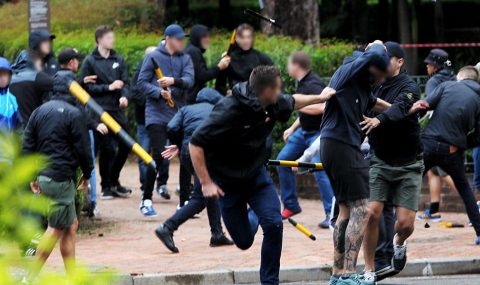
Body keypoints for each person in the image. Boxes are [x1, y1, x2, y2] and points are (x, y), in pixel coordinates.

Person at [190, 65, 336, 285]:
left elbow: (294, 100)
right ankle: (254, 214)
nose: (281, 91)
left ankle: (269, 282)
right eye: (278, 87)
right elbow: (195, 143)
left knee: (274, 224)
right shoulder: (228, 110)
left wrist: (321, 97)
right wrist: (206, 182)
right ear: (267, 90)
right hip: (227, 183)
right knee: (244, 241)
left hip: (257, 177)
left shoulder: (273, 103)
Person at [319, 41, 391, 285]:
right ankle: (349, 273)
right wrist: (376, 51)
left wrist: (401, 110)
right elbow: (363, 62)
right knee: (363, 207)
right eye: (383, 64)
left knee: (346, 210)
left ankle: (338, 273)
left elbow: (375, 103)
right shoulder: (351, 69)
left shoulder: (360, 83)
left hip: (333, 145)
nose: (386, 73)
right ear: (372, 62)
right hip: (342, 146)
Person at [360, 42, 423, 282]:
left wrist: (380, 120)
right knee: (371, 213)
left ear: (399, 62)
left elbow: (401, 108)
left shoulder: (409, 86)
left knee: (404, 224)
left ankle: (399, 242)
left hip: (408, 162)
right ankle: (368, 269)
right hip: (380, 159)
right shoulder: (372, 80)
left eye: (387, 58)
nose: (382, 62)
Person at [22, 87, 93, 281]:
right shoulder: (74, 113)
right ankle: (29, 277)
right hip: (60, 178)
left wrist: (32, 176)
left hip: (45, 176)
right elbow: (84, 148)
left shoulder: (40, 111)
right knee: (55, 228)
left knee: (71, 225)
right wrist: (87, 174)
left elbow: (27, 144)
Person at [155, 88, 233, 252]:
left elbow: (171, 127)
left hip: (187, 152)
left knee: (209, 191)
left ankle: (217, 234)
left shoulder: (185, 109)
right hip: (206, 153)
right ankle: (168, 227)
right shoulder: (216, 109)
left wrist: (180, 143)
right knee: (201, 196)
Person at [411, 66, 480, 245]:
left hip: (428, 143)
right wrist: (462, 142)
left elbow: (424, 106)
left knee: (408, 180)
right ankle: (479, 231)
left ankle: (391, 224)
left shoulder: (448, 86)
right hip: (452, 149)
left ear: (460, 77)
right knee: (464, 189)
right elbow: (478, 135)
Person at [137, 24, 194, 216]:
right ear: (168, 38)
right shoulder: (152, 57)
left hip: (179, 114)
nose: (181, 42)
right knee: (159, 155)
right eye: (178, 39)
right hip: (156, 115)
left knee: (186, 156)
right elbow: (141, 83)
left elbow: (189, 80)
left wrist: (173, 81)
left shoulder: (185, 58)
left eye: (182, 39)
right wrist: (158, 92)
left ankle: (184, 201)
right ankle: (146, 199)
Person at [276, 51, 334, 228]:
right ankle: (291, 205)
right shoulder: (303, 83)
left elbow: (322, 108)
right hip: (304, 132)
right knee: (281, 161)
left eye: (288, 64)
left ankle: (330, 213)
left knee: (319, 169)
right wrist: (292, 128)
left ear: (296, 66)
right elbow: (305, 110)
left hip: (318, 133)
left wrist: (292, 106)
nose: (287, 68)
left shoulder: (314, 83)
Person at [79, 25, 131, 199]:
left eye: (112, 38)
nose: (112, 41)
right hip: (99, 111)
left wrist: (124, 97)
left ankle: (115, 181)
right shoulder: (89, 61)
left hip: (117, 110)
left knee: (126, 144)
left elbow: (126, 83)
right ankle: (106, 186)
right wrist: (108, 87)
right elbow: (85, 88)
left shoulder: (119, 59)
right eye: (109, 38)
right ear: (99, 40)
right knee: (108, 149)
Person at [55, 48, 100, 217]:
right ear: (72, 62)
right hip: (80, 127)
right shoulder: (72, 81)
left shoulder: (56, 79)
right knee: (88, 164)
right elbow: (80, 108)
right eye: (76, 60)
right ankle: (91, 203)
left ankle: (74, 206)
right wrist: (94, 124)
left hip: (61, 130)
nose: (78, 63)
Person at [418, 48, 457, 222]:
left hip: (437, 132)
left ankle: (476, 204)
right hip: (453, 129)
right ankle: (434, 210)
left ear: (435, 66)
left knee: (448, 173)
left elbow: (427, 105)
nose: (426, 66)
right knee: (433, 172)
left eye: (428, 63)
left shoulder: (434, 81)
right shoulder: (453, 78)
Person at [215, 23, 273, 95]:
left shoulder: (262, 58)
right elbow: (219, 86)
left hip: (256, 99)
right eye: (242, 37)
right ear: (236, 38)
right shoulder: (228, 59)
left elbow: (274, 81)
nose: (246, 41)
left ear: (252, 38)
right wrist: (227, 92)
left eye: (248, 37)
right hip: (236, 98)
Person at [184, 24, 230, 103]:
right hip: (192, 99)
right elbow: (202, 76)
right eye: (204, 37)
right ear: (197, 37)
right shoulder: (193, 51)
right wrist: (219, 67)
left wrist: (220, 63)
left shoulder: (190, 49)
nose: (208, 39)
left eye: (208, 36)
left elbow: (202, 71)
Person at [10, 50, 53, 126]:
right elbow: (59, 84)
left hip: (13, 129)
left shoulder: (9, 80)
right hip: (32, 128)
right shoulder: (37, 76)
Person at [0, 57, 19, 130]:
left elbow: (19, 125)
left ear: (9, 76)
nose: (2, 78)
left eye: (4, 74)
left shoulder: (12, 98)